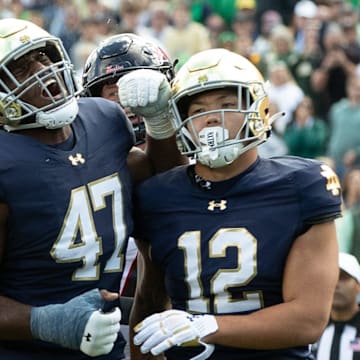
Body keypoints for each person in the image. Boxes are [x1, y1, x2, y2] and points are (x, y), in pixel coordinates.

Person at [129, 48, 342, 359]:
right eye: (198, 109)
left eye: (227, 105)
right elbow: (148, 307)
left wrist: (207, 327)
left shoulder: (302, 185)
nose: (212, 117)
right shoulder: (158, 196)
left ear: (258, 109)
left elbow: (307, 320)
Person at [0, 18, 183, 359]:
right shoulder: (5, 164)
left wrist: (160, 123)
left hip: (107, 347)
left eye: (44, 57)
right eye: (22, 68)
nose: (44, 70)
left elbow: (168, 190)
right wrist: (46, 321)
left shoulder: (104, 119)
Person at [82, 32, 177, 360]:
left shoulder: (187, 156)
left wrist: (161, 126)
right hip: (87, 315)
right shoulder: (82, 160)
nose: (133, 104)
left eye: (142, 90)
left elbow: (171, 181)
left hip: (170, 318)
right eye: (117, 93)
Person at [313, 252, 360, 359]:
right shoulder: (312, 328)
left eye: (343, 277)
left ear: (358, 286)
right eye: (330, 277)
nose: (335, 284)